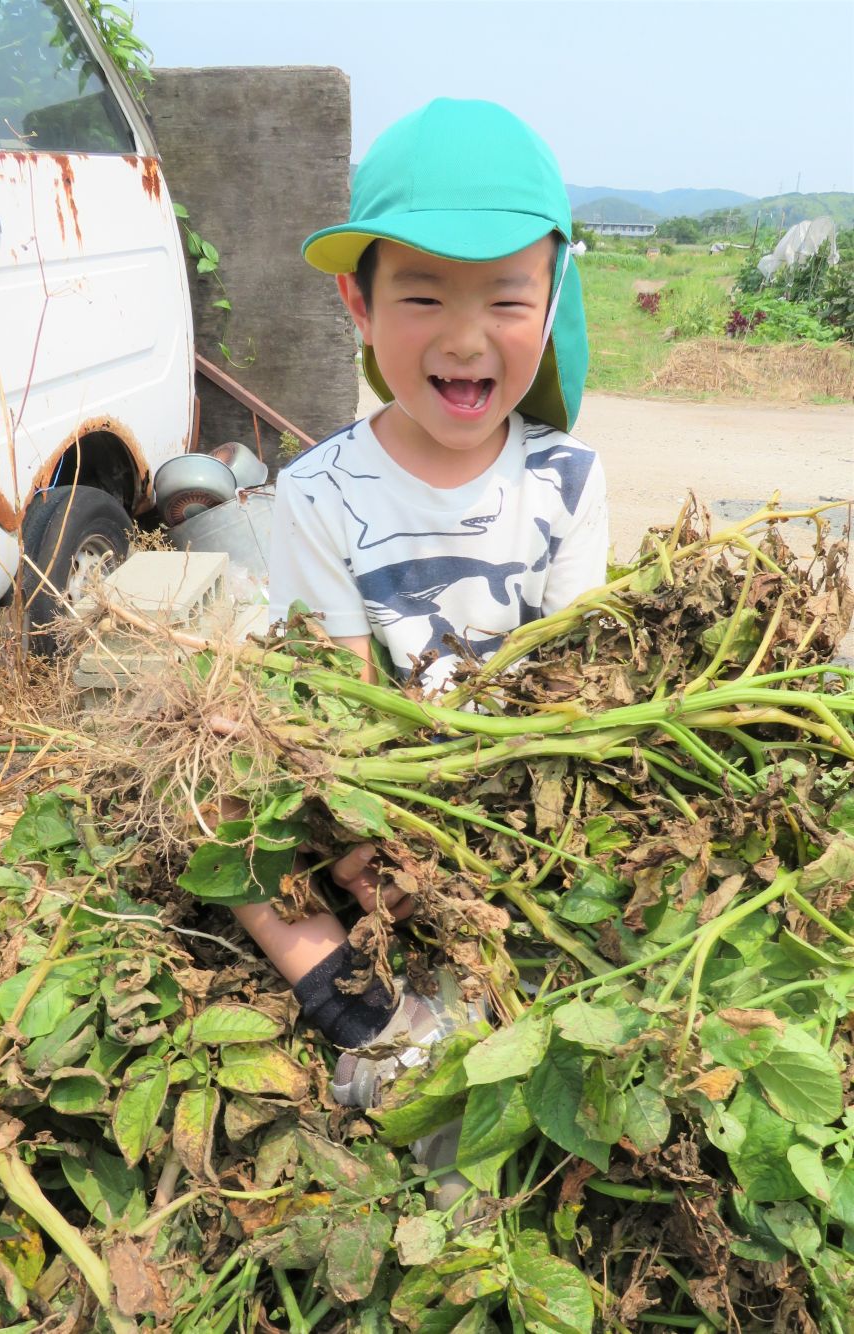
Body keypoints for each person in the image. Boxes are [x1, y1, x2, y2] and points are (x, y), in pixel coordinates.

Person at [233, 98, 607, 1206]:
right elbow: (340, 703)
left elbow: (575, 687)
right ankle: (349, 996)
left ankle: (417, 1018)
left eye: (503, 297)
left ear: (548, 304)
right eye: (422, 295)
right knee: (228, 824)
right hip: (377, 780)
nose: (460, 335)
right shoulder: (314, 491)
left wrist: (488, 837)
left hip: (511, 797)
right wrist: (367, 839)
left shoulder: (565, 485)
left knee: (573, 888)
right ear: (356, 300)